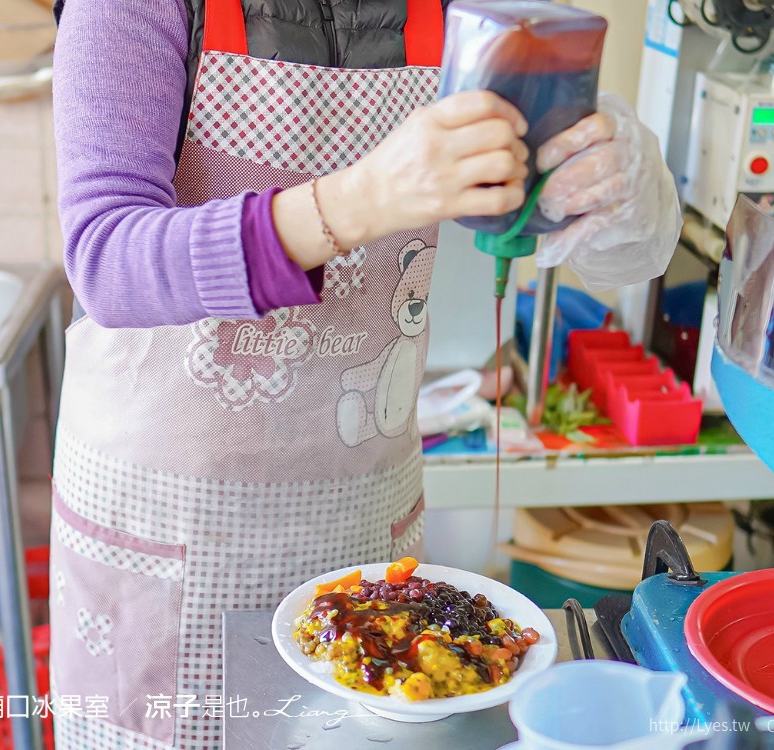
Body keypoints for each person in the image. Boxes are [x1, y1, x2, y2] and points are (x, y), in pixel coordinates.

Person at [48, 1, 681, 747]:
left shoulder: (451, 16)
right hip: (168, 525)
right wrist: (363, 200)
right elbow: (106, 258)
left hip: (357, 515)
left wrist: (619, 188)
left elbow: (588, 235)